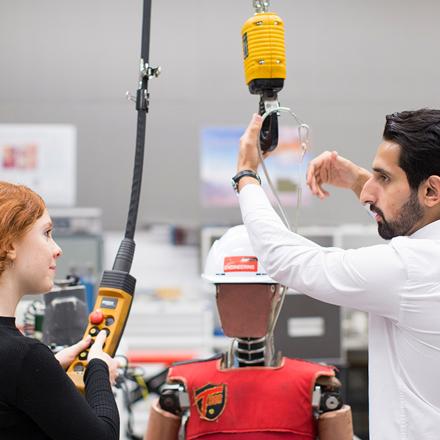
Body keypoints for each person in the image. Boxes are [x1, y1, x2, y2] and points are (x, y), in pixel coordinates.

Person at [234, 109, 440, 439]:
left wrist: (246, 175)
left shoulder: (414, 267)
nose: (371, 191)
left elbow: (286, 259)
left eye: (384, 178)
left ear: (431, 192)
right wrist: (360, 181)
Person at [144, 225, 353, 440]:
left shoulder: (312, 381)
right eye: (233, 293)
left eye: (252, 293)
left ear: (277, 293)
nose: (243, 305)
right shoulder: (187, 382)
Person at [0, 181, 120, 439]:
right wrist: (98, 371)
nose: (57, 249)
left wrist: (47, 371)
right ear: (10, 245)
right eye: (46, 233)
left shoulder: (22, 364)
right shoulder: (24, 358)